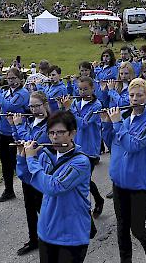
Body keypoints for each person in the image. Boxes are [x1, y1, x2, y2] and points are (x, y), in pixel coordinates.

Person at [16, 111, 92, 263]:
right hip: (47, 231)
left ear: (72, 134)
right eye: (51, 133)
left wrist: (32, 159)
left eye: (60, 132)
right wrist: (22, 157)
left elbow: (54, 187)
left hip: (71, 234)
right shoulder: (45, 154)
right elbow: (28, 178)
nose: (55, 137)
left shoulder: (81, 162)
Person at [102, 78, 146, 263]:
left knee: (137, 228)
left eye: (139, 95)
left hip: (140, 183)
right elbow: (112, 141)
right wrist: (107, 123)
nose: (134, 98)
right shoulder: (126, 119)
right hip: (120, 181)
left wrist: (117, 123)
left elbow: (133, 145)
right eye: (132, 95)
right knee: (122, 227)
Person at [9, 91, 51, 256]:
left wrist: (19, 126)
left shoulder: (49, 124)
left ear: (45, 105)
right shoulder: (30, 121)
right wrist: (13, 125)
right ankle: (34, 238)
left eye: (37, 106)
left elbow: (32, 143)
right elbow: (19, 140)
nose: (33, 109)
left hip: (40, 169)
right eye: (31, 106)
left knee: (43, 206)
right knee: (29, 206)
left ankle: (54, 234)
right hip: (26, 169)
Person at [62, 77, 105, 220]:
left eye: (85, 89)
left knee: (83, 180)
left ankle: (88, 208)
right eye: (80, 89)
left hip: (90, 148)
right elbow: (70, 122)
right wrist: (65, 108)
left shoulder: (97, 105)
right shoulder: (76, 103)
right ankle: (97, 200)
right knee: (81, 180)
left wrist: (70, 110)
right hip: (76, 145)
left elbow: (84, 123)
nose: (82, 92)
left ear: (93, 89)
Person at [0, 67, 30, 202]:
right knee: (5, 163)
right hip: (1, 131)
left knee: (17, 162)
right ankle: (9, 190)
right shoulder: (6, 92)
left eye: (14, 78)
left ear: (20, 79)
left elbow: (9, 106)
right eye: (9, 78)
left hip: (15, 133)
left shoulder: (23, 93)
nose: (11, 81)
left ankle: (29, 188)